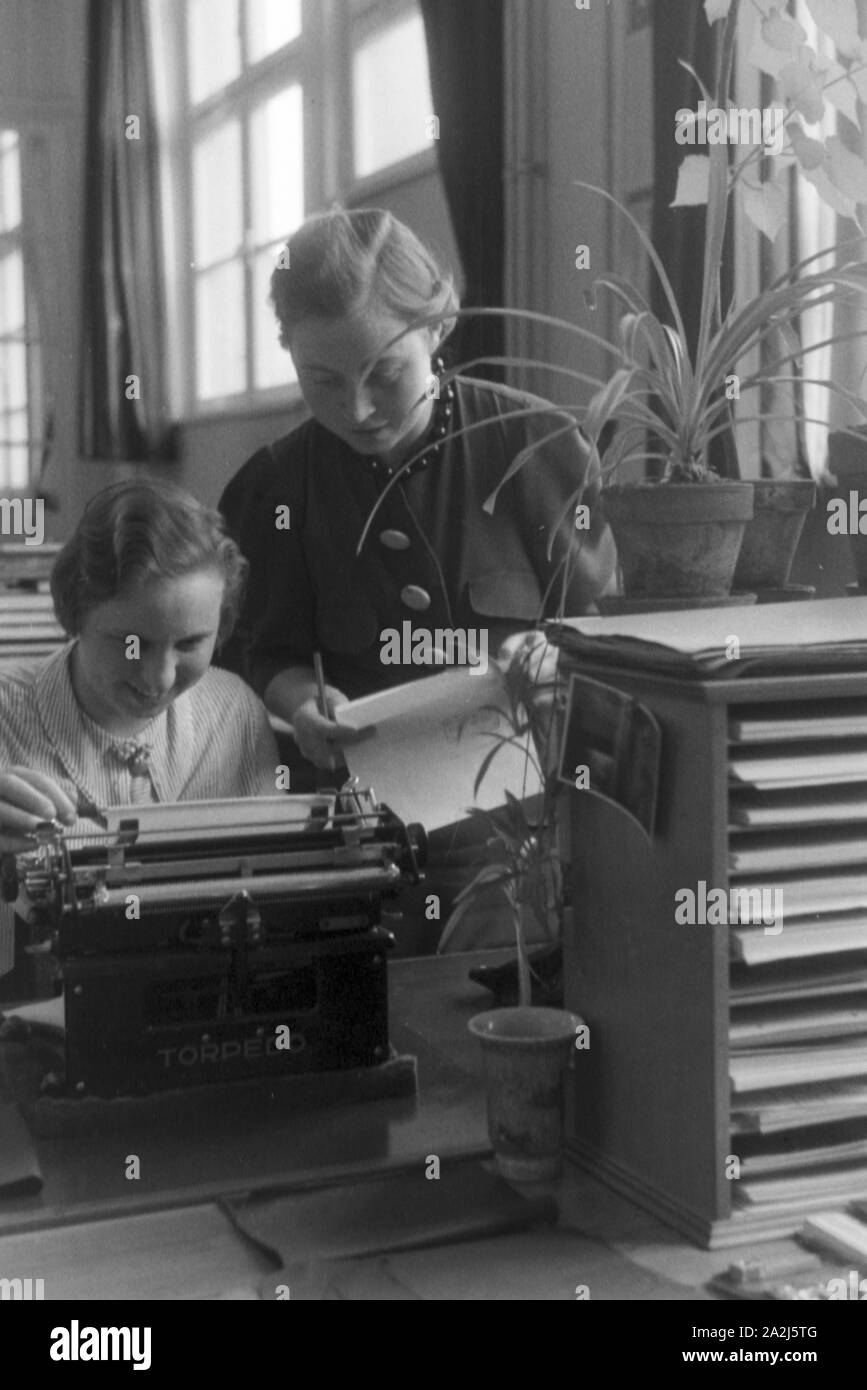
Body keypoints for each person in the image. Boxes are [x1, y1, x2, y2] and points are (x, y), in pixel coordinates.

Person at [219, 207, 616, 776]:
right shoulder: (273, 489)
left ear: (438, 325)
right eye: (322, 380)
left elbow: (602, 624)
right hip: (356, 798)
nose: (356, 410)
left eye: (383, 372)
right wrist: (303, 703)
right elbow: (265, 653)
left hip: (527, 790)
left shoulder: (535, 445)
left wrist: (543, 657)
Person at [0, 479, 279, 860]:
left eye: (190, 643)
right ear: (76, 614)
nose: (159, 679)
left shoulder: (237, 715)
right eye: (133, 644)